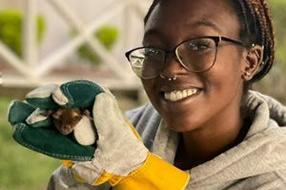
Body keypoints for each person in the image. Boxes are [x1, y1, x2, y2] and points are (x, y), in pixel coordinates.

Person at [46, 0, 286, 189]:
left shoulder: (274, 181)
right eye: (153, 50)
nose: (170, 69)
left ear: (250, 62)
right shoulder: (124, 134)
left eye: (199, 45)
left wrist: (138, 176)